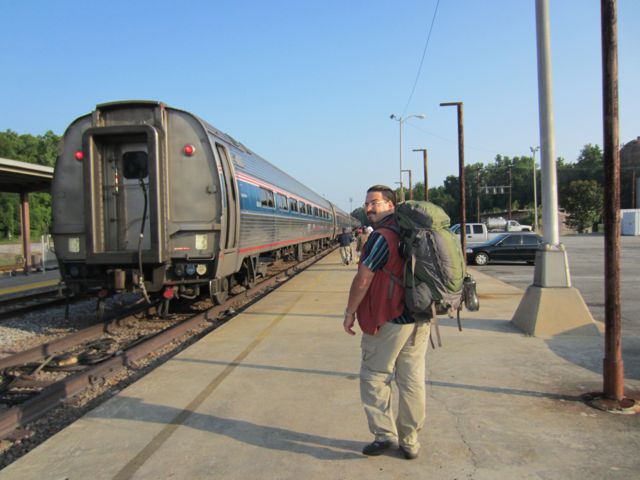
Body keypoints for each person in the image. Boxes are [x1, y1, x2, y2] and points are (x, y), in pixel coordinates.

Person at [342, 185, 430, 460]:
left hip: (390, 319)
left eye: (375, 203)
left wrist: (350, 312)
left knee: (374, 376)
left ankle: (384, 436)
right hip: (420, 317)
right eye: (367, 203)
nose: (369, 208)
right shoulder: (410, 232)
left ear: (391, 205)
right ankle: (410, 441)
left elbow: (363, 279)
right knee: (412, 381)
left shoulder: (381, 237)